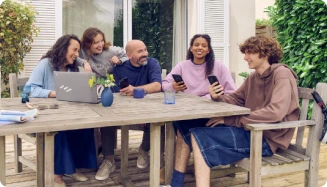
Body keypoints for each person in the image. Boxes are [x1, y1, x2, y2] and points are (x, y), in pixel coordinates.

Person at [189, 35, 300, 187]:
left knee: (200, 135)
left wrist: (231, 120)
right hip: (251, 131)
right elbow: (236, 99)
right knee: (197, 127)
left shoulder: (282, 74)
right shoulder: (254, 77)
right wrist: (218, 97)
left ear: (265, 53)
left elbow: (276, 112)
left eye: (249, 53)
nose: (245, 57)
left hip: (268, 139)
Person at [162, 34, 236, 186]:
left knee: (182, 132)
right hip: (187, 113)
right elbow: (165, 84)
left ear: (208, 50)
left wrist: (210, 96)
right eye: (196, 45)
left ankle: (176, 182)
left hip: (210, 115)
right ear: (191, 48)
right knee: (183, 126)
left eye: (203, 45)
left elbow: (231, 92)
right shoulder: (182, 66)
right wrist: (173, 87)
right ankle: (176, 180)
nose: (199, 48)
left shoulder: (219, 67)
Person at [24, 35, 98, 187]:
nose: (77, 54)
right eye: (74, 50)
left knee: (86, 126)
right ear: (63, 48)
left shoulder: (72, 67)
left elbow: (73, 90)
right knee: (60, 130)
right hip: (46, 116)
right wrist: (53, 93)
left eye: (78, 51)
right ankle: (56, 173)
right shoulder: (46, 64)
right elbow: (29, 90)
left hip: (67, 114)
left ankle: (71, 168)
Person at [95, 39, 162, 180]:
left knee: (159, 121)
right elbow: (116, 96)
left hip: (147, 111)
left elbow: (157, 86)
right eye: (140, 51)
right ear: (129, 55)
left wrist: (136, 90)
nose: (145, 54)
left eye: (145, 49)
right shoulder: (120, 68)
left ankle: (144, 149)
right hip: (123, 112)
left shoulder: (152, 63)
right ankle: (109, 160)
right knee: (106, 121)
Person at [78, 27, 128, 181]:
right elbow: (72, 56)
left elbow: (127, 55)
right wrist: (84, 62)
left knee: (106, 117)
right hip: (92, 89)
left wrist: (119, 61)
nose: (100, 45)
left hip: (111, 90)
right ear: (87, 44)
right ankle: (87, 155)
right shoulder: (82, 52)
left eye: (101, 41)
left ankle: (108, 158)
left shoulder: (112, 50)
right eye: (95, 43)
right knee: (84, 116)